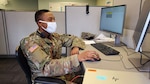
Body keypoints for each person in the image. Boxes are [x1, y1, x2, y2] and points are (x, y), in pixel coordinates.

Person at [20, 9, 100, 83]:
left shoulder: (54, 37)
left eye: (54, 19)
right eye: (50, 19)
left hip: (59, 75)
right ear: (40, 23)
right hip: (47, 80)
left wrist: (75, 47)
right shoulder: (30, 43)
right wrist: (77, 58)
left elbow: (74, 39)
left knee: (90, 78)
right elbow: (46, 67)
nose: (54, 22)